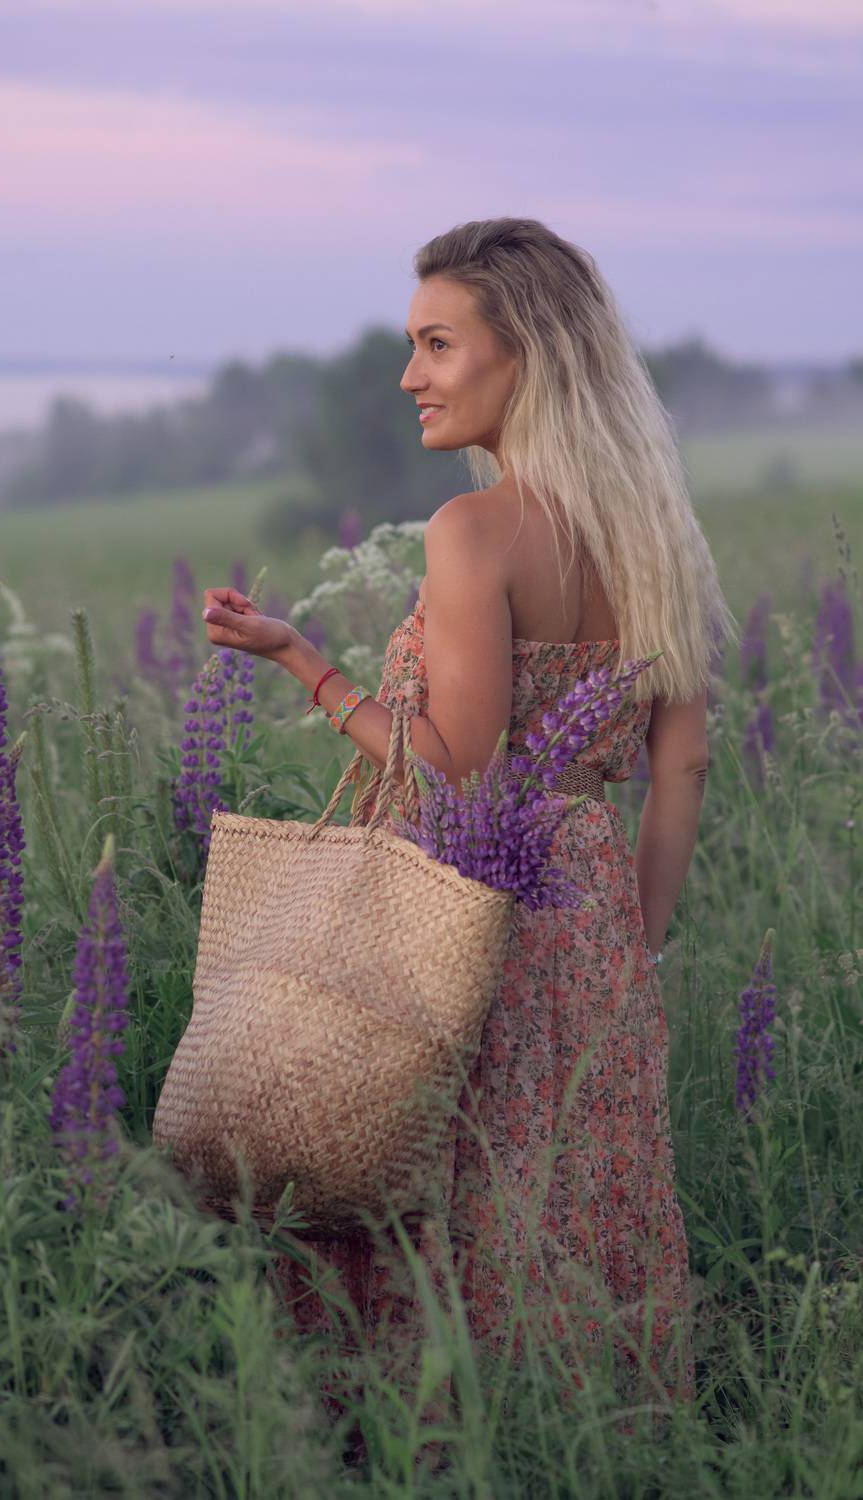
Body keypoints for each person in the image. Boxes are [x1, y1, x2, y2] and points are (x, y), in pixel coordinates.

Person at [199, 217, 736, 1457]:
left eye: (438, 345)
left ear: (527, 354)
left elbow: (458, 770)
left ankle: (425, 1447)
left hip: (462, 910)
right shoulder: (658, 533)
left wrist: (306, 663)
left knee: (431, 1181)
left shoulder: (472, 531)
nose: (410, 376)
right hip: (590, 915)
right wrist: (634, 942)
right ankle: (588, 1441)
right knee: (572, 1190)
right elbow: (683, 765)